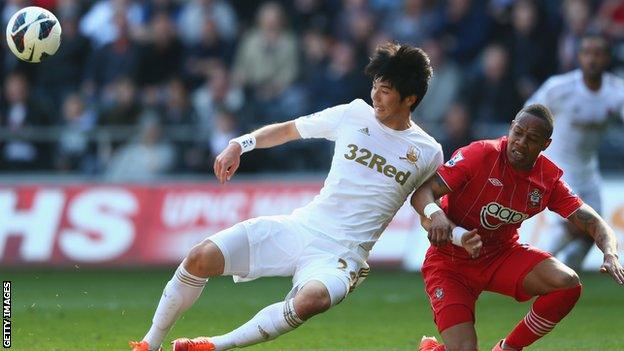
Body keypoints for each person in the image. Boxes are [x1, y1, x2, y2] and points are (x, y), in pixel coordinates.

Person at [129, 42, 444, 351]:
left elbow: (424, 199)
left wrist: (438, 220)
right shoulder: (353, 114)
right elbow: (289, 130)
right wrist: (241, 144)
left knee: (313, 300)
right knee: (200, 257)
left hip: (342, 255)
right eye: (375, 85)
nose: (375, 95)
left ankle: (211, 346)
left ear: (410, 98)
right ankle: (150, 344)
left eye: (386, 90)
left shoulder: (428, 151)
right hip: (302, 227)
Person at [411, 104, 624, 351]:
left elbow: (595, 222)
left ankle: (508, 348)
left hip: (500, 255)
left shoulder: (547, 180)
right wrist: (435, 214)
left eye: (532, 139)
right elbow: (423, 193)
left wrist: (610, 253)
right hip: (450, 263)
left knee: (567, 283)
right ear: (511, 128)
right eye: (518, 133)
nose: (521, 143)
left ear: (546, 145)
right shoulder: (479, 154)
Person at [524, 33, 624, 270]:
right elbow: (528, 114)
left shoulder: (616, 92)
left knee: (595, 231)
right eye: (587, 53)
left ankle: (564, 275)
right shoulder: (559, 88)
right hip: (558, 165)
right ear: (579, 57)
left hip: (588, 169)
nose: (592, 59)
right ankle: (532, 265)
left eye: (597, 54)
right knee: (577, 223)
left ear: (607, 59)